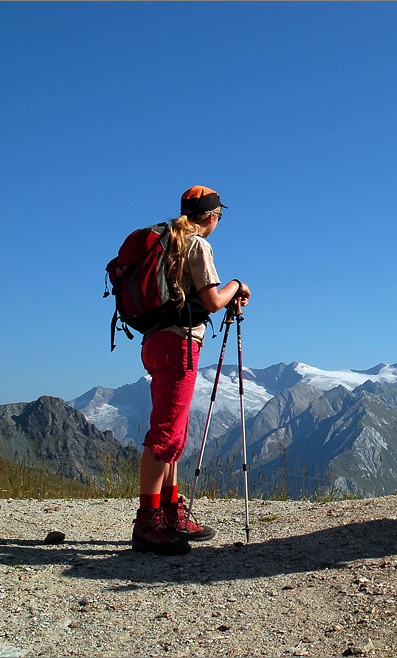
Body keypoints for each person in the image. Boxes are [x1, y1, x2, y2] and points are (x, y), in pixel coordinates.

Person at [132, 185, 251, 555]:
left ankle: (170, 511)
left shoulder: (168, 240)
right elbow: (213, 301)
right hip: (179, 342)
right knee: (167, 434)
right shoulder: (197, 245)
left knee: (175, 431)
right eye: (218, 215)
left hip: (156, 341)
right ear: (211, 216)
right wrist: (238, 285)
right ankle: (148, 522)